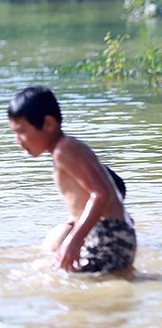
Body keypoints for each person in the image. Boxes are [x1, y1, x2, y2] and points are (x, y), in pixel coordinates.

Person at [7, 86, 136, 273]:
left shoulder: (63, 151)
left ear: (48, 124)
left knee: (45, 275)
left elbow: (101, 194)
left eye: (21, 132)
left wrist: (74, 241)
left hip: (108, 234)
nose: (17, 140)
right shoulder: (70, 147)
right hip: (117, 234)